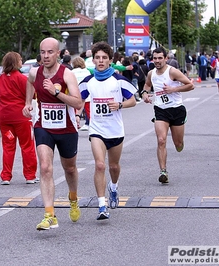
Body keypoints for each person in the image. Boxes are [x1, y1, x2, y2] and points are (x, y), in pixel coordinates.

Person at [22, 37, 83, 230]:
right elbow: (30, 83)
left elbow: (78, 103)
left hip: (66, 128)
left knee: (70, 169)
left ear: (58, 53)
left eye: (50, 52)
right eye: (42, 52)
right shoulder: (35, 72)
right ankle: (49, 214)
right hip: (44, 126)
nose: (46, 56)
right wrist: (28, 102)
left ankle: (73, 198)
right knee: (46, 168)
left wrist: (56, 93)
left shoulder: (67, 75)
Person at [76, 41, 137, 220]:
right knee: (100, 165)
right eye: (97, 58)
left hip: (115, 130)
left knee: (113, 166)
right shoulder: (88, 81)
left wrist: (119, 104)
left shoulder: (119, 81)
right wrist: (77, 117)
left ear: (110, 60)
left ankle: (114, 186)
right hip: (97, 129)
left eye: (104, 58)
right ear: (92, 60)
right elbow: (80, 102)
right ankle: (102, 205)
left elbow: (132, 101)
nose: (101, 61)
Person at [141, 46, 194, 184]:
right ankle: (163, 171)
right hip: (160, 110)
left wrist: (173, 89)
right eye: (155, 58)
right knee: (161, 140)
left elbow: (190, 85)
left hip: (176, 109)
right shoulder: (151, 73)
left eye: (160, 58)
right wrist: (145, 94)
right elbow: (146, 86)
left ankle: (179, 143)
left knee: (178, 144)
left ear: (166, 59)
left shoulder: (173, 72)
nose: (157, 61)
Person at [0, 52, 37, 185]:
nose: (22, 61)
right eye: (20, 59)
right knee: (27, 145)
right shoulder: (21, 78)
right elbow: (32, 94)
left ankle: (6, 176)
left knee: (8, 146)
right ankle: (30, 175)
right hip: (21, 118)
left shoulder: (1, 79)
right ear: (16, 62)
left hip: (5, 119)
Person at [71, 56, 91, 131]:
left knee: (75, 112)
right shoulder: (87, 71)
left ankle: (75, 124)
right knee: (89, 112)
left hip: (76, 95)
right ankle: (92, 125)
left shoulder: (72, 72)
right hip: (87, 95)